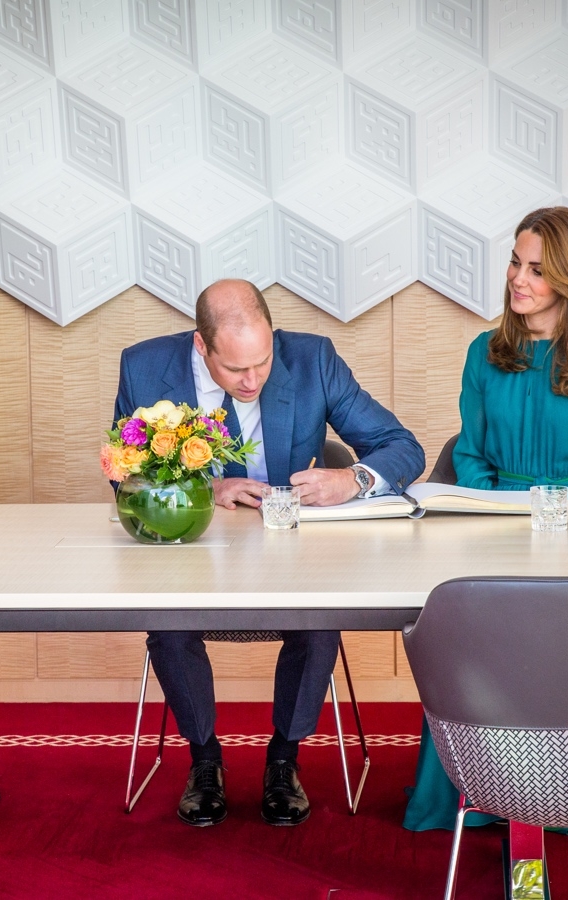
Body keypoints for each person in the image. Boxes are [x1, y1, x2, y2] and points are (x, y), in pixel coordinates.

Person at [115, 279, 425, 828]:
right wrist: (201, 490)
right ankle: (204, 759)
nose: (253, 380)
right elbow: (126, 476)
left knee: (319, 621)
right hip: (194, 553)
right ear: (200, 346)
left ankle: (284, 758)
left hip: (293, 556)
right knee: (168, 621)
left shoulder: (313, 360)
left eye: (262, 362)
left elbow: (403, 447)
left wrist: (352, 479)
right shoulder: (144, 368)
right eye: (236, 370)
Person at [403, 205, 568, 832]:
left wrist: (565, 522)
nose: (519, 278)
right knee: (474, 630)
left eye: (537, 269)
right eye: (516, 261)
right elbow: (471, 456)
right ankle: (476, 796)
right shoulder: (484, 354)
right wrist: (503, 514)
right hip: (497, 529)